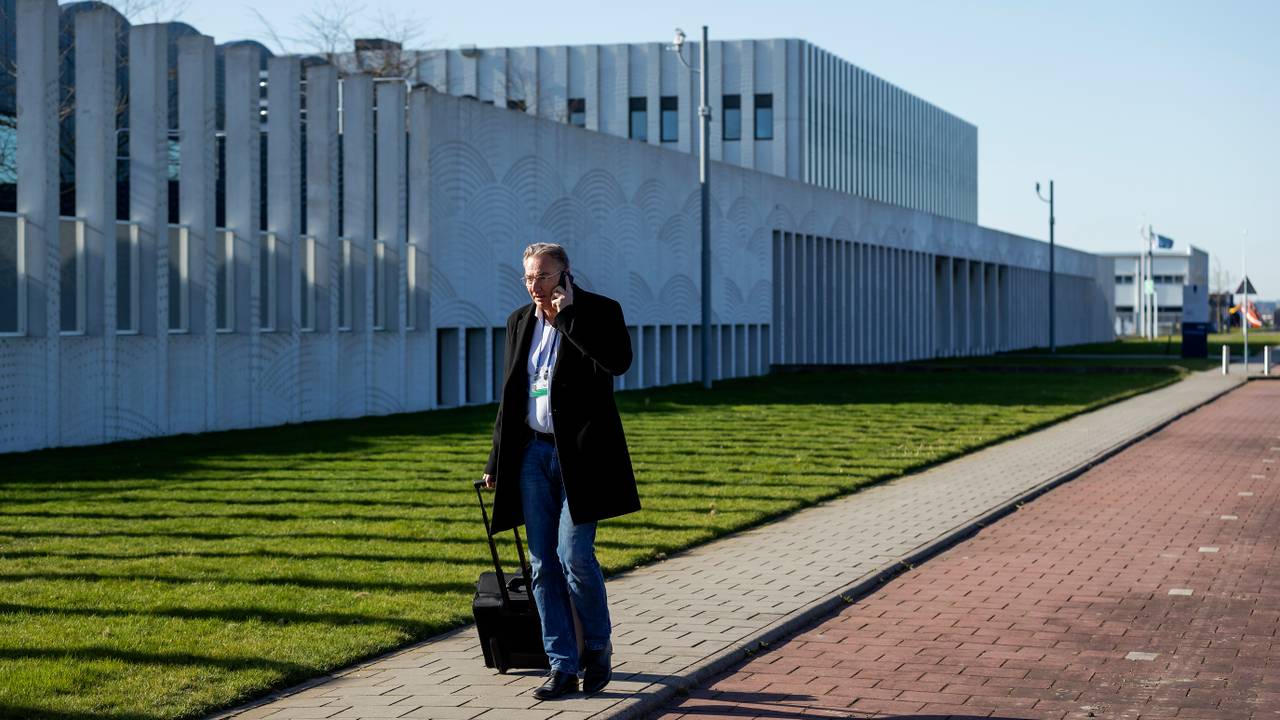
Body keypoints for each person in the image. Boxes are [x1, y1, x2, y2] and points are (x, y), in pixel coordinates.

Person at [481, 242, 640, 700]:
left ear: (566, 275)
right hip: (531, 454)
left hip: (580, 459)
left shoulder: (600, 311)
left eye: (543, 277)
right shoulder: (518, 321)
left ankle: (597, 647)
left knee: (573, 555)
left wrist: (567, 318)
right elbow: (512, 396)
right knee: (541, 564)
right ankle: (561, 665)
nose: (535, 287)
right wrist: (496, 460)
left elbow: (617, 362)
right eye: (528, 278)